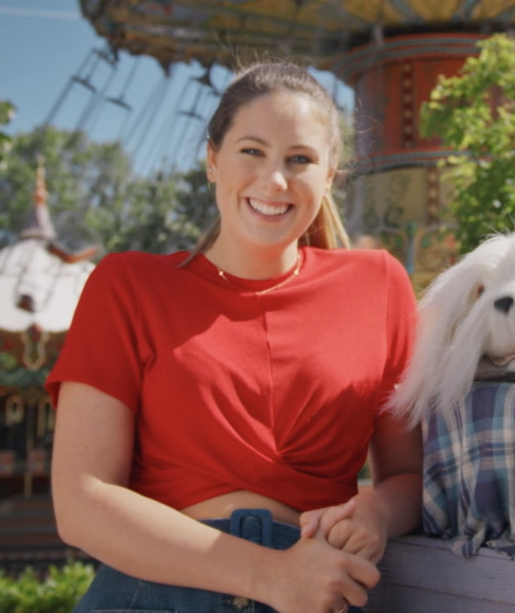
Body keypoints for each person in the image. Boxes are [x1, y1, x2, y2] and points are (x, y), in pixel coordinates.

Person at [47, 61, 422, 613]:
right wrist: (270, 575)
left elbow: (410, 476)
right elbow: (81, 502)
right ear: (212, 160)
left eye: (300, 159)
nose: (275, 180)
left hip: (322, 589)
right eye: (252, 151)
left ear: (331, 172)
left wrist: (376, 513)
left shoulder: (381, 285)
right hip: (154, 596)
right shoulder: (127, 285)